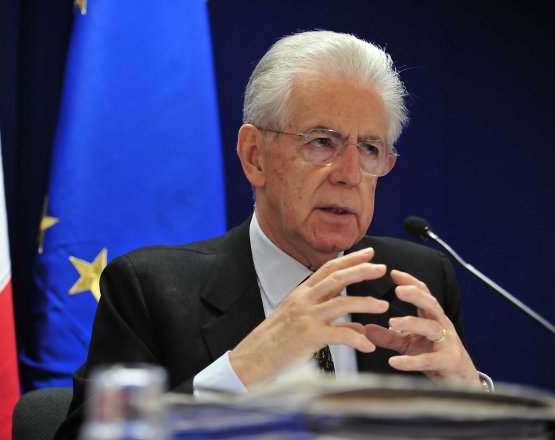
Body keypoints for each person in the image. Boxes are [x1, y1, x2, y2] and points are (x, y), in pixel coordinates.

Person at [55, 30, 489, 439]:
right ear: (254, 156)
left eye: (370, 149)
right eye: (322, 142)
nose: (351, 175)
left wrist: (476, 399)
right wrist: (242, 370)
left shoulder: (414, 282)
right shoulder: (150, 290)